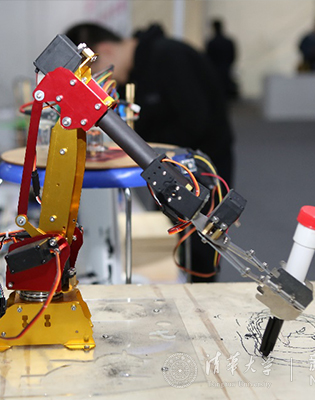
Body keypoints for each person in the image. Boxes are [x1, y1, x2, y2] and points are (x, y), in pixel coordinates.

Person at [65, 22, 234, 282]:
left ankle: (202, 296)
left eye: (95, 72)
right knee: (176, 239)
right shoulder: (137, 72)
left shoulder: (170, 57)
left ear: (105, 50)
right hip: (170, 170)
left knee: (202, 248)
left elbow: (196, 120)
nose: (100, 83)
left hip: (202, 169)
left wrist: (150, 148)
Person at [205, 19, 238, 100]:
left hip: (216, 70)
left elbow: (208, 57)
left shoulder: (212, 42)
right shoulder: (228, 42)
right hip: (225, 69)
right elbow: (233, 56)